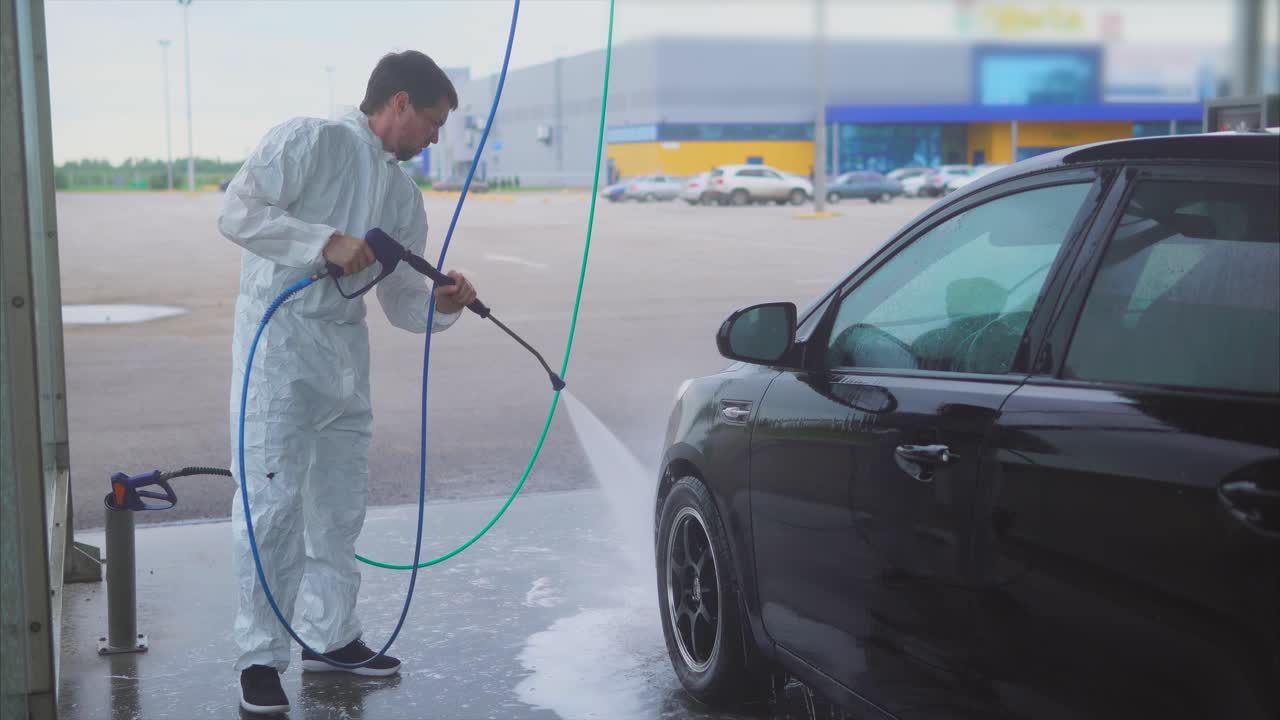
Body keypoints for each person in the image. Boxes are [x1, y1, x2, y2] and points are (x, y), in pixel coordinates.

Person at [217, 50, 476, 716]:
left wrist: (442, 306)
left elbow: (402, 302)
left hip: (343, 360)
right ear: (398, 105)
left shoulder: (400, 193)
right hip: (278, 358)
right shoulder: (310, 139)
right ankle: (258, 658)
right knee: (272, 511)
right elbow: (238, 212)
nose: (436, 137)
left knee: (336, 512)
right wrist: (321, 240)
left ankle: (331, 636)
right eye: (433, 121)